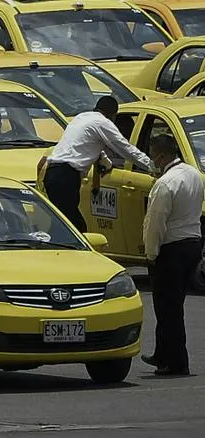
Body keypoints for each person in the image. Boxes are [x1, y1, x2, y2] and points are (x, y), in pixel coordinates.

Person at [141, 134, 204, 376]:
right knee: (172, 306)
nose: (153, 160)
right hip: (192, 245)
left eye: (154, 155)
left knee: (168, 310)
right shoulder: (193, 174)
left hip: (172, 249)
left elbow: (155, 223)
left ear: (162, 155)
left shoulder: (165, 183)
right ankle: (162, 354)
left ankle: (177, 362)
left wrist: (151, 253)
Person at [43, 96, 153, 232]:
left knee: (62, 225)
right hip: (66, 177)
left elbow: (89, 148)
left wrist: (107, 164)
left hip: (52, 173)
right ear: (113, 115)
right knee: (75, 228)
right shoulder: (103, 123)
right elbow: (125, 149)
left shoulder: (81, 118)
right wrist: (152, 166)